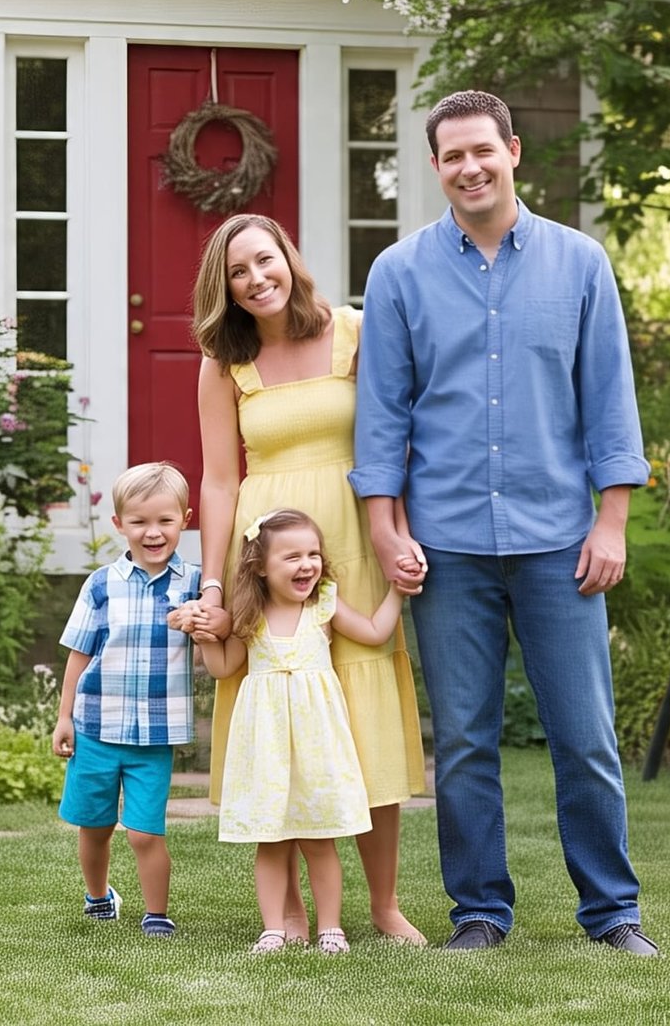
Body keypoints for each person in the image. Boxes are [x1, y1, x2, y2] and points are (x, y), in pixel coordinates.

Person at [350, 90, 659, 956]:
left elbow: (608, 401)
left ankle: (612, 913)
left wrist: (613, 522)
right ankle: (480, 912)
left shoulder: (580, 264)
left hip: (562, 538)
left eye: (483, 150)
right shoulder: (399, 274)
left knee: (586, 737)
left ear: (513, 150)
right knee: (463, 744)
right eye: (452, 156)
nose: (470, 167)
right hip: (444, 546)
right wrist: (383, 526)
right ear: (436, 165)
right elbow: (384, 414)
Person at [191, 213, 427, 945]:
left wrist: (399, 532)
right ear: (224, 288)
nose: (256, 278)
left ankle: (384, 906)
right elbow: (221, 481)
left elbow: (397, 438)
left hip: (352, 542)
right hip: (268, 558)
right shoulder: (224, 362)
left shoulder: (352, 331)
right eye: (238, 272)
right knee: (278, 724)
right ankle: (289, 912)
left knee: (367, 725)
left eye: (265, 260)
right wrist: (211, 587)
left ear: (290, 258)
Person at [189, 508, 404, 954]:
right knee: (271, 840)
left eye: (313, 553)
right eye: (292, 557)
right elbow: (224, 667)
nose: (307, 564)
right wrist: (204, 634)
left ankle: (330, 927)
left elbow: (374, 631)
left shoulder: (323, 606)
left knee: (319, 838)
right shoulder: (249, 616)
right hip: (267, 746)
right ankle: (273, 927)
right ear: (260, 568)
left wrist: (398, 592)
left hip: (316, 744)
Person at [51, 462, 225, 938]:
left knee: (145, 832)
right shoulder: (101, 584)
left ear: (185, 520)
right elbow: (79, 653)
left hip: (155, 735)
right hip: (95, 727)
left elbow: (224, 624)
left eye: (165, 521)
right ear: (119, 525)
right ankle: (99, 896)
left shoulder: (192, 584)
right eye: (140, 522)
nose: (153, 533)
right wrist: (64, 717)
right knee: (95, 826)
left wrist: (204, 617)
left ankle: (156, 913)